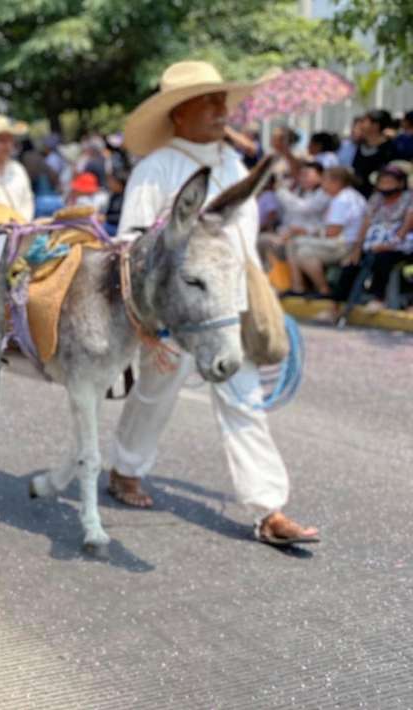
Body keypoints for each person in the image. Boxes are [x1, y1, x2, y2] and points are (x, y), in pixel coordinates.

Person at [110, 60, 319, 545]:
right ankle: (126, 468)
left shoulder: (234, 163)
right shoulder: (157, 166)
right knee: (157, 393)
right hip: (176, 312)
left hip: (229, 307)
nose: (222, 108)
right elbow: (131, 242)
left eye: (223, 99)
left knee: (243, 397)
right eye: (209, 100)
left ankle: (269, 508)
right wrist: (146, 323)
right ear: (179, 112)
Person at [332, 162, 413, 311]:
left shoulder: (409, 198)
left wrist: (389, 244)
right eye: (383, 181)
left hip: (399, 246)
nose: (385, 185)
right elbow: (366, 223)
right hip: (373, 243)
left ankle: (378, 298)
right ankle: (336, 306)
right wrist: (357, 248)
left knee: (383, 259)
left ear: (400, 182)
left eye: (390, 181)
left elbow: (406, 227)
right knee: (350, 264)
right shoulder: (376, 198)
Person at [285, 166, 366, 296]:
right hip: (346, 243)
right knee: (296, 244)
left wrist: (306, 232)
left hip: (345, 246)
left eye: (325, 181)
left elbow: (332, 233)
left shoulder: (342, 199)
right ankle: (298, 287)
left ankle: (321, 290)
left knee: (299, 248)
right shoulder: (350, 195)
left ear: (337, 182)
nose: (322, 185)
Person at [263, 161, 329, 266]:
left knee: (266, 243)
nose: (303, 178)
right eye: (302, 175)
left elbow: (303, 208)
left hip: (308, 238)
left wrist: (281, 191)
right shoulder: (300, 191)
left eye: (307, 175)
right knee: (265, 241)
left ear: (320, 176)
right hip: (288, 234)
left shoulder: (324, 194)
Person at [350, 109, 397, 197]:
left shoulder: (390, 148)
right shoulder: (361, 145)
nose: (361, 125)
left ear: (375, 126)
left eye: (364, 121)